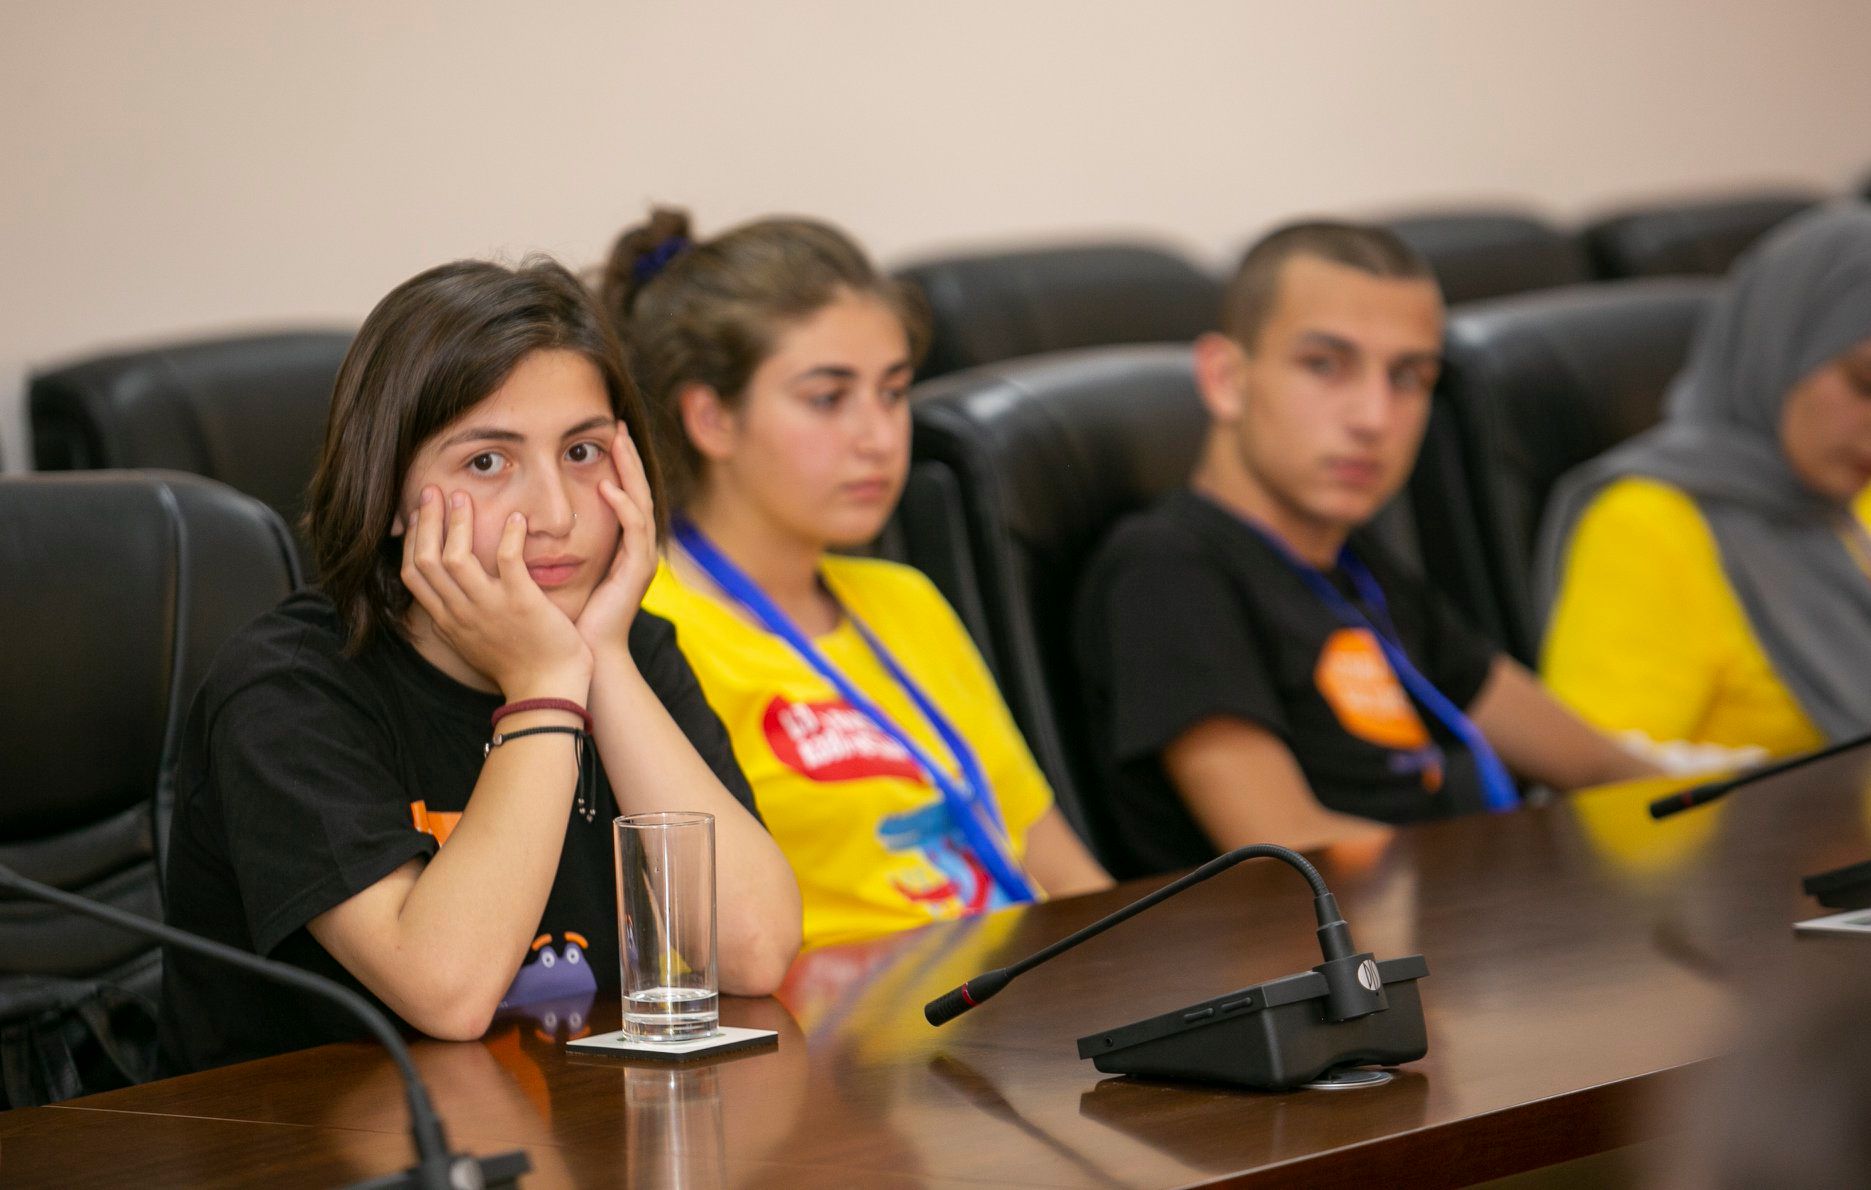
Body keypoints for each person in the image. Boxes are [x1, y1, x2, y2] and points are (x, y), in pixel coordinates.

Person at [157, 259, 802, 1074]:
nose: (556, 514)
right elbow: (449, 993)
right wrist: (544, 691)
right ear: (389, 491)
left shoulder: (626, 647)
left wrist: (601, 657)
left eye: (583, 451)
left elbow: (752, 949)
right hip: (313, 1133)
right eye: (488, 463)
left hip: (557, 1120)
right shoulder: (287, 689)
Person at [1074, 220, 1654, 876]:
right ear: (1225, 378)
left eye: (1408, 377)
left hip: (1453, 912)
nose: (1373, 418)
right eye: (1325, 366)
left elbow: (1599, 764)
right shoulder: (1166, 572)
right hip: (1329, 935)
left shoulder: (1355, 567)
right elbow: (1293, 848)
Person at [598, 208, 1111, 949]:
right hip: (838, 1009)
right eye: (827, 399)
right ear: (712, 419)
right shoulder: (643, 625)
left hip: (1011, 982)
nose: (878, 438)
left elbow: (1063, 874)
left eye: (893, 393)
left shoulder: (904, 598)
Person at [1540, 206, 1871, 759]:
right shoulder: (1647, 526)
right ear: (1777, 348)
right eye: (1865, 384)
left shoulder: (1849, 497)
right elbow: (1603, 788)